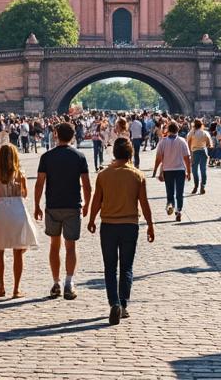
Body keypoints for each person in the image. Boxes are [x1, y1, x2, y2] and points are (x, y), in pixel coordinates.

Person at [87, 138, 155, 325]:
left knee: (110, 267)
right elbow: (144, 203)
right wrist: (150, 224)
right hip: (130, 226)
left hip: (108, 225)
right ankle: (123, 304)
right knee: (126, 267)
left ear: (114, 153)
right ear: (130, 153)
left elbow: (96, 201)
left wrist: (92, 219)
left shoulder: (103, 175)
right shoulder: (137, 175)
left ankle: (113, 303)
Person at [34, 122, 92, 300]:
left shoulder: (46, 157)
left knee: (54, 245)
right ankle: (69, 282)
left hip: (53, 206)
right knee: (71, 246)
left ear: (56, 135)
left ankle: (56, 282)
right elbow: (87, 186)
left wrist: (36, 205)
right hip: (73, 205)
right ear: (73, 136)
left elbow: (39, 183)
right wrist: (87, 205)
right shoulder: (79, 157)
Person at [0, 143, 39, 297]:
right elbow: (25, 195)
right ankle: (16, 288)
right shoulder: (20, 174)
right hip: (17, 211)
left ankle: (1, 286)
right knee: (18, 252)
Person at [152, 122, 192, 222]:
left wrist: (155, 170)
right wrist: (189, 172)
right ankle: (179, 211)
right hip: (180, 170)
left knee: (170, 192)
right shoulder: (182, 141)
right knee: (179, 192)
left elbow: (159, 158)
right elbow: (187, 158)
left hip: (168, 170)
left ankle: (170, 204)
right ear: (178, 130)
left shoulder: (163, 142)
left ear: (168, 130)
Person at [186, 119, 213, 195]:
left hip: (194, 152)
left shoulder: (191, 133)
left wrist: (190, 153)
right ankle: (203, 185)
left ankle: (196, 186)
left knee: (194, 170)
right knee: (203, 170)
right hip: (203, 151)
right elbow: (209, 144)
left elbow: (188, 142)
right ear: (201, 125)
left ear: (194, 125)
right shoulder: (205, 133)